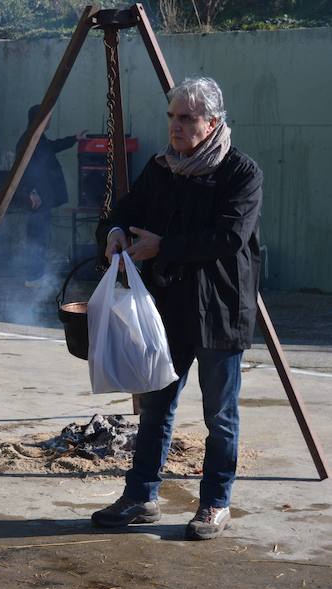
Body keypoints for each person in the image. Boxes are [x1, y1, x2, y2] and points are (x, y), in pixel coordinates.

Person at [92, 77, 263, 541]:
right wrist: (113, 234)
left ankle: (214, 503)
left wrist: (163, 247)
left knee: (219, 416)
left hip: (219, 313)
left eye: (186, 118)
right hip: (168, 310)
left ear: (212, 122)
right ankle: (141, 496)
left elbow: (227, 238)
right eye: (172, 116)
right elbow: (123, 211)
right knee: (156, 407)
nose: (176, 126)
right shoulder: (163, 168)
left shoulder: (240, 173)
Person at [14, 104, 85, 282]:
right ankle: (33, 276)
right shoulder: (28, 140)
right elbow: (23, 171)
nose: (50, 120)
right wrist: (30, 192)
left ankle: (37, 275)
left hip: (43, 198)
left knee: (40, 237)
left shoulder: (39, 138)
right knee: (36, 237)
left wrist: (74, 139)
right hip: (36, 198)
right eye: (47, 117)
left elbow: (53, 146)